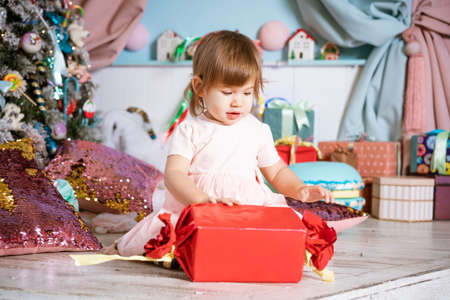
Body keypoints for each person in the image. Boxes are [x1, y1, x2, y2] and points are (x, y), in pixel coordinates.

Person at [111, 30, 333, 257]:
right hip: (201, 206)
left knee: (274, 241)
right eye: (227, 92)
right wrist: (200, 200)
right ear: (200, 87)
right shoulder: (191, 130)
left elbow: (276, 172)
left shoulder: (257, 130)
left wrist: (299, 189)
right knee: (181, 243)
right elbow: (174, 174)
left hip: (248, 207)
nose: (238, 101)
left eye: (247, 92)